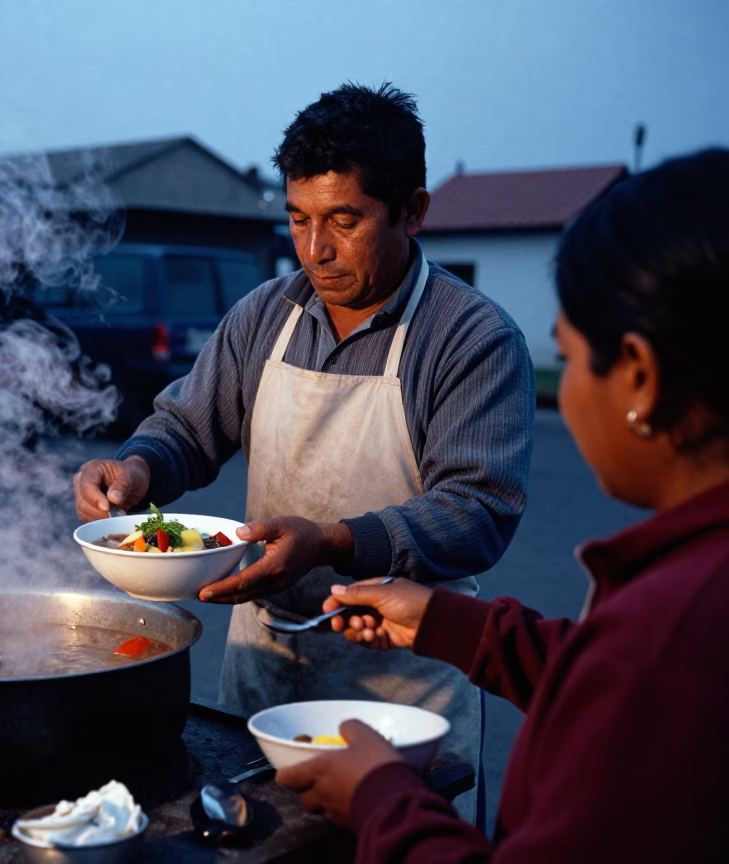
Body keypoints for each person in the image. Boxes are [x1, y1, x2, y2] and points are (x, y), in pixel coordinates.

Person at [73, 81, 534, 823]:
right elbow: (189, 429)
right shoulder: (267, 313)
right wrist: (137, 468)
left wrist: (332, 543)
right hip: (265, 673)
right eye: (299, 219)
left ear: (413, 211)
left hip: (401, 694)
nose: (315, 249)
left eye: (344, 221)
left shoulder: (471, 338)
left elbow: (478, 511)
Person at [275, 147, 729, 861]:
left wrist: (382, 798)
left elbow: (633, 679)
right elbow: (600, 674)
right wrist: (456, 626)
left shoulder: (670, 635)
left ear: (639, 377)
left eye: (572, 357)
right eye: (297, 220)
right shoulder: (675, 611)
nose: (315, 248)